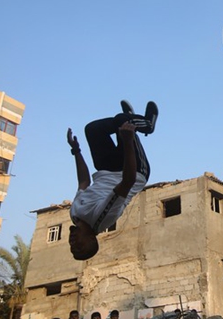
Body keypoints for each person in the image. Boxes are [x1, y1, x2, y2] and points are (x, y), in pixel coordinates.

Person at [67, 100, 158, 261]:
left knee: (93, 129)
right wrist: (128, 141)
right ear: (91, 239)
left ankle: (130, 119)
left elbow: (83, 182)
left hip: (106, 168)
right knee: (124, 123)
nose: (73, 244)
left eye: (72, 248)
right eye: (79, 246)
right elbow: (127, 181)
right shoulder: (101, 218)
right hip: (133, 170)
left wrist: (76, 151)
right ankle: (147, 124)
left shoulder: (75, 214)